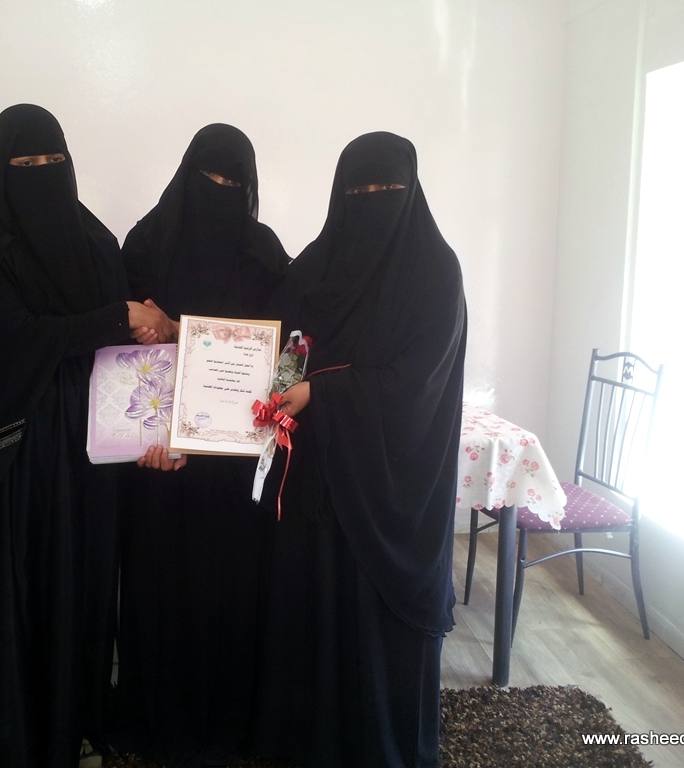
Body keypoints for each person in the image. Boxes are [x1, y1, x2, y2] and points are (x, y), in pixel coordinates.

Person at [0, 104, 173, 767]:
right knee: (23, 592)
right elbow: (10, 339)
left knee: (83, 584)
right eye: (26, 163)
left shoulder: (93, 238)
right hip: (17, 448)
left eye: (53, 161)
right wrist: (114, 316)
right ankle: (18, 736)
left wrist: (146, 331)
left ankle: (76, 720)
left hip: (90, 445)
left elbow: (123, 348)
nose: (42, 174)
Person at [249, 132, 467, 768]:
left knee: (375, 629)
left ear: (411, 191)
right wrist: (280, 382)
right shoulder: (314, 266)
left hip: (390, 488)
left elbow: (418, 382)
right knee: (312, 610)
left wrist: (323, 393)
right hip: (318, 483)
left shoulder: (435, 271)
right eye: (358, 190)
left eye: (387, 189)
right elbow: (285, 344)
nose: (372, 200)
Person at [111, 123, 290, 767]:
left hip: (235, 469)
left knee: (230, 594)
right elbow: (123, 347)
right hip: (161, 460)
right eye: (207, 177)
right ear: (185, 176)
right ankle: (156, 721)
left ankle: (229, 722)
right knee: (161, 591)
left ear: (249, 189)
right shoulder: (145, 244)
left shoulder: (265, 254)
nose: (218, 190)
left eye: (232, 182)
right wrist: (150, 435)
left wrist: (179, 327)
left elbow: (284, 350)